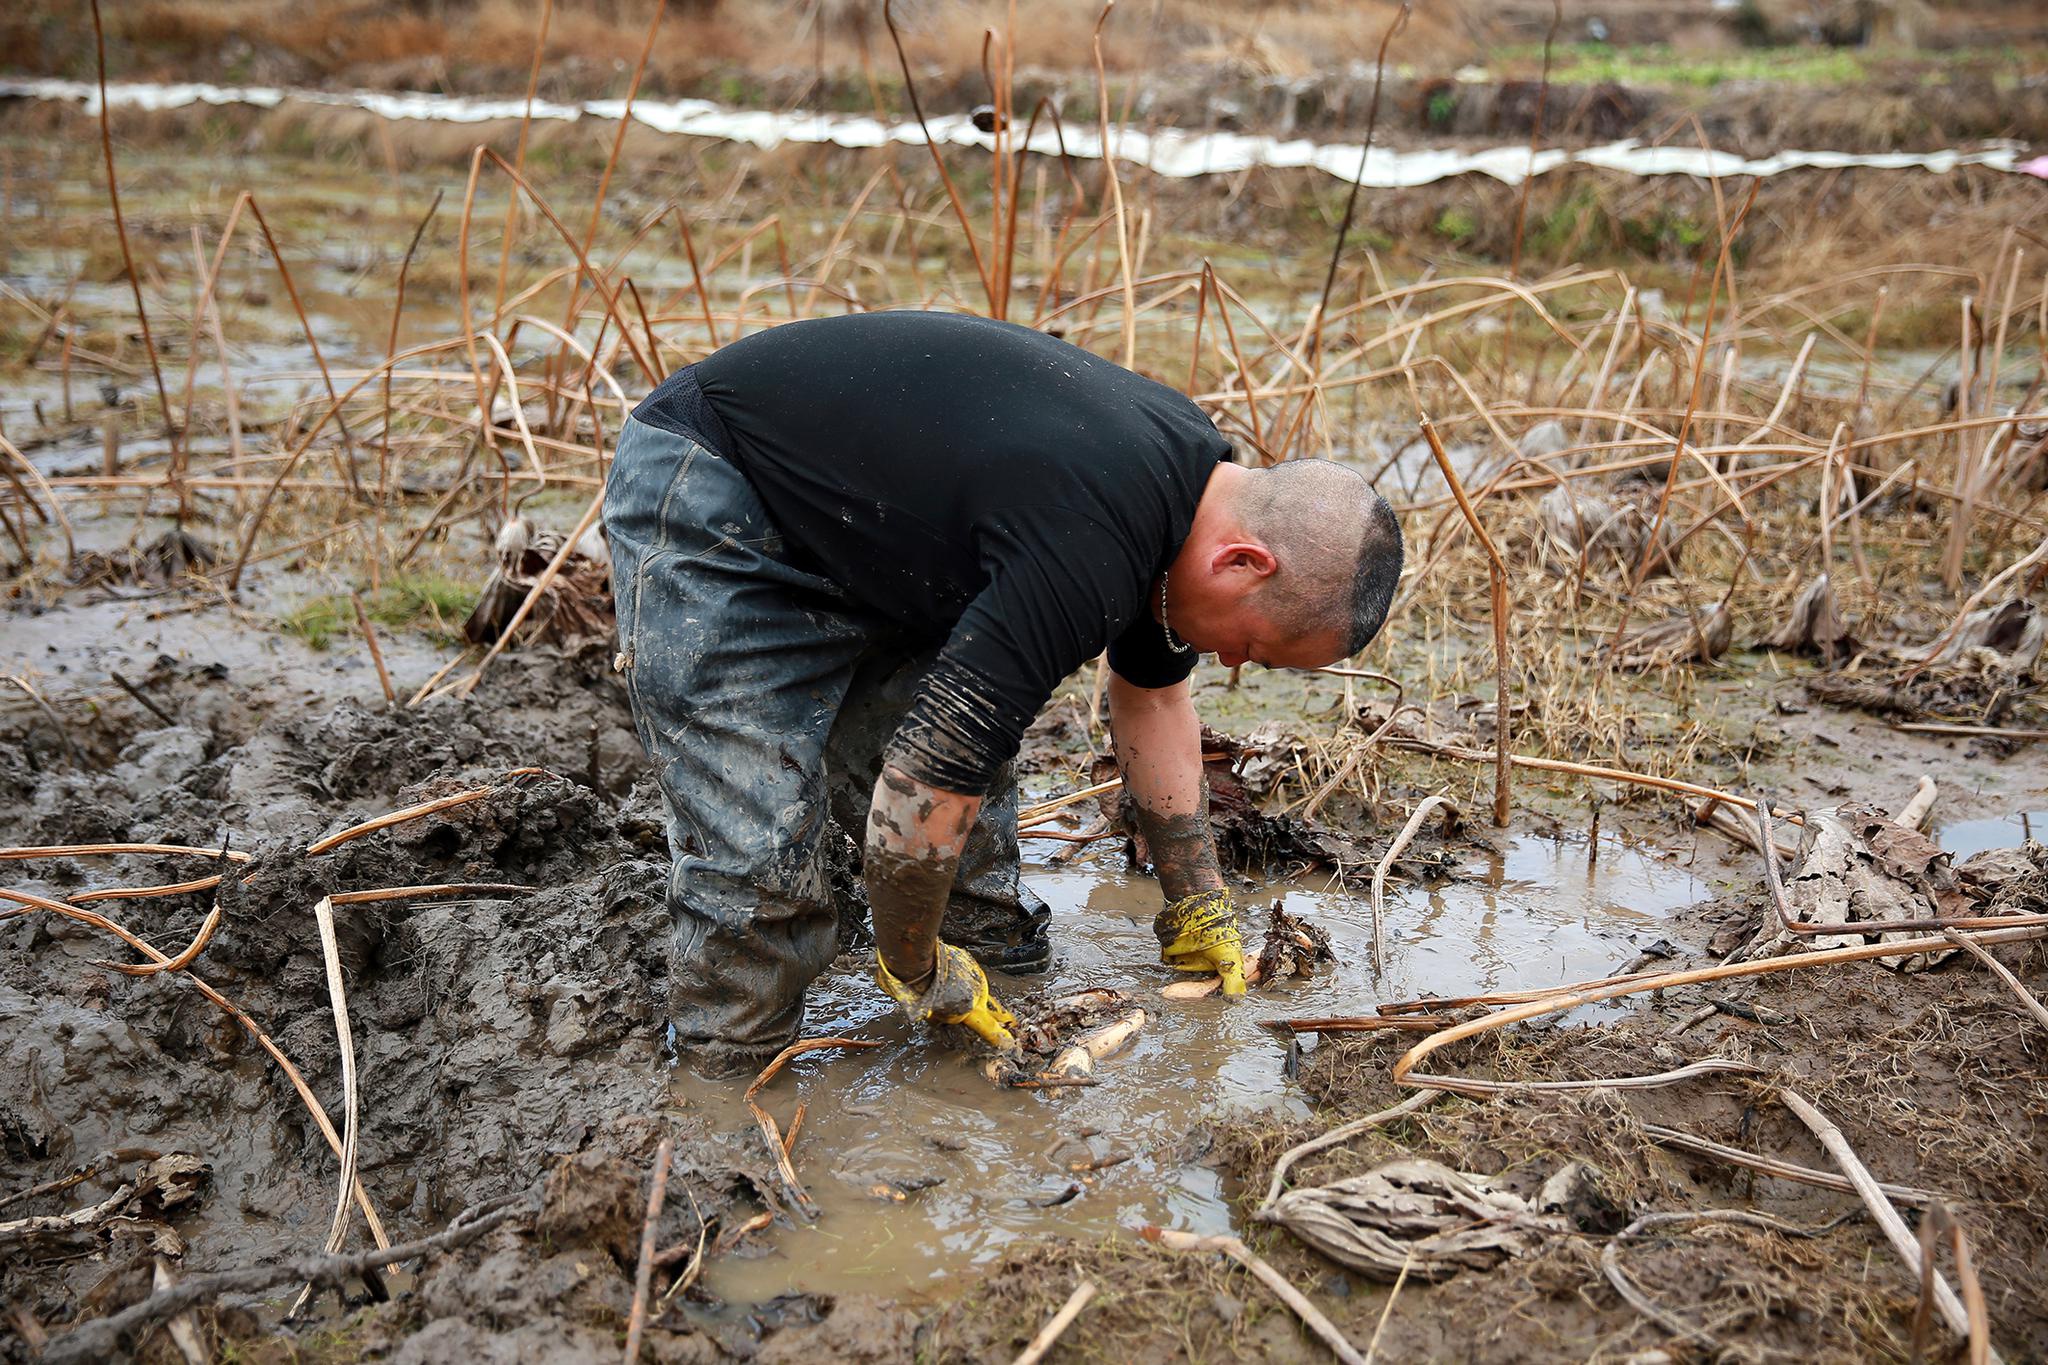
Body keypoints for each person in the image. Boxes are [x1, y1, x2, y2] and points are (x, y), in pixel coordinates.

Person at [603, 310, 1403, 1077]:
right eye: (1252, 645)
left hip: (875, 543)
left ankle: (973, 1030)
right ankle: (726, 1089)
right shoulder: (1093, 539)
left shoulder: (1190, 509)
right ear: (1243, 562)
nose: (1228, 658)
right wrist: (915, 967)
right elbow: (927, 778)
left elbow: (1155, 699)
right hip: (722, 490)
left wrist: (1199, 901)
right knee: (760, 874)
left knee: (979, 897)